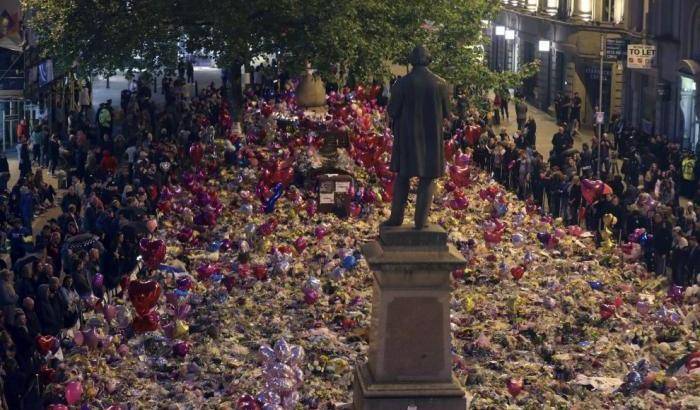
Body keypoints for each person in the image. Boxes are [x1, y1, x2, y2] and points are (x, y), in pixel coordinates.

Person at [383, 45, 450, 229]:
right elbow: (446, 113)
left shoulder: (402, 83)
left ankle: (396, 217)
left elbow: (393, 111)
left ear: (411, 61)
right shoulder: (440, 84)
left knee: (403, 177)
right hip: (431, 138)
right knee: (427, 178)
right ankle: (421, 222)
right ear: (429, 60)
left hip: (406, 138)